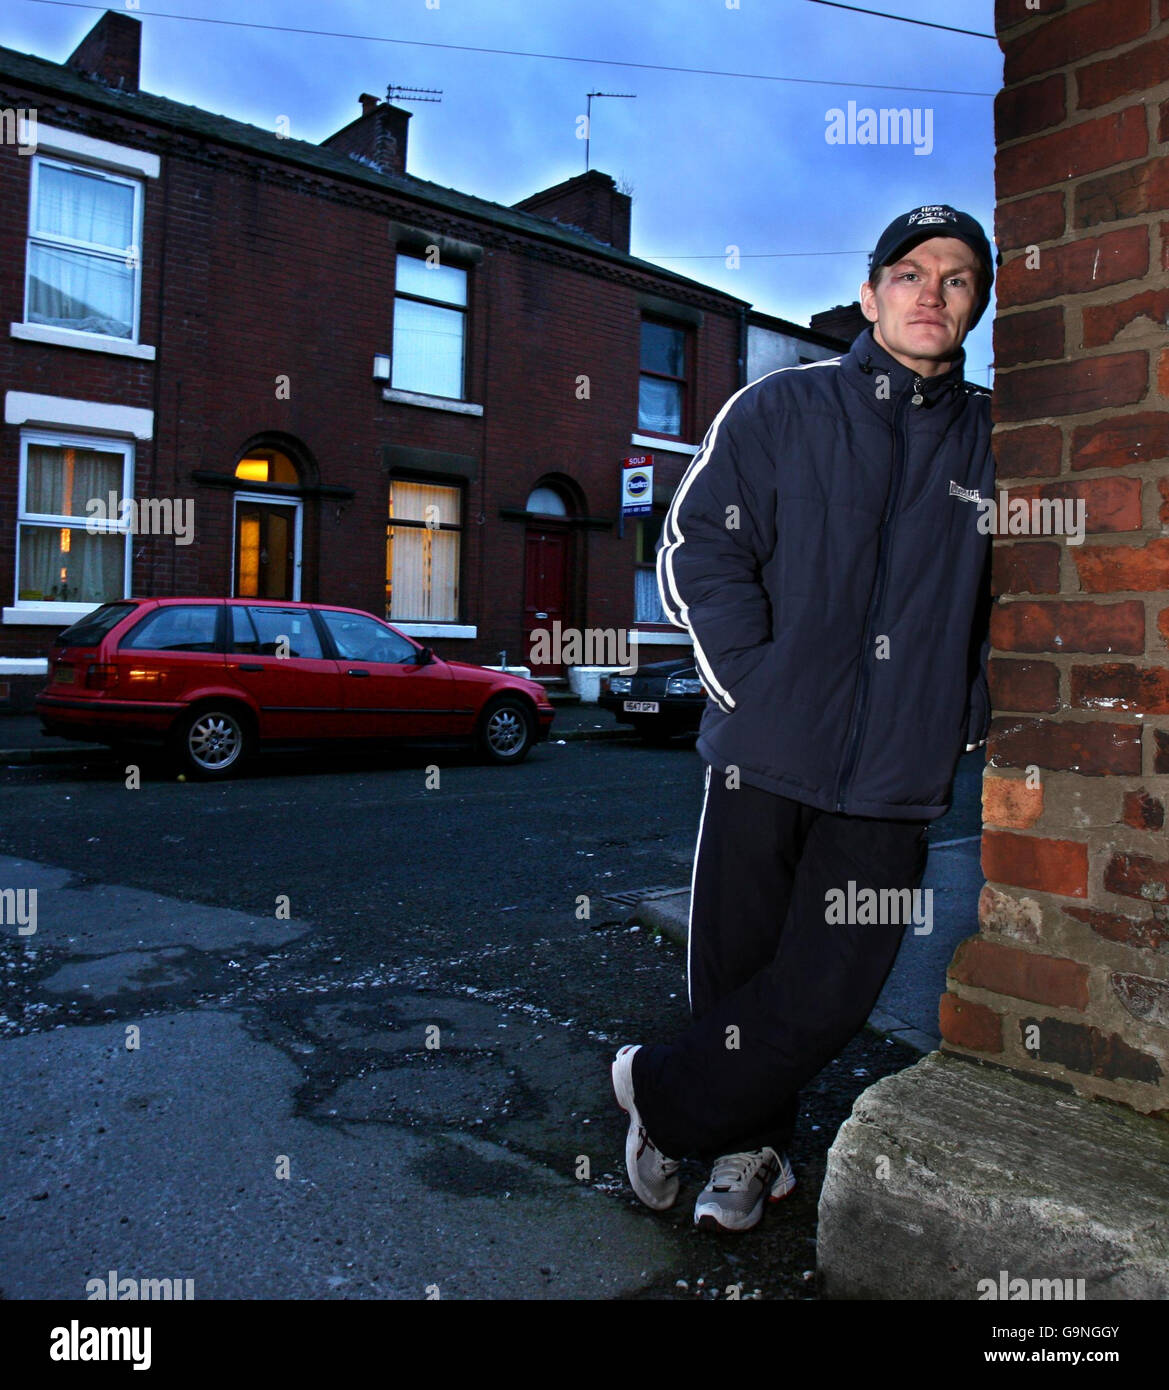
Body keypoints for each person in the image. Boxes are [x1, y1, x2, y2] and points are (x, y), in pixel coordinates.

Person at [611, 204, 997, 1233]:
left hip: (896, 777)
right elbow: (698, 547)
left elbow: (1024, 599)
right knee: (738, 971)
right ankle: (748, 1147)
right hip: (762, 755)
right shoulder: (778, 409)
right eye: (907, 272)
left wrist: (964, 710)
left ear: (971, 310)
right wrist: (754, 678)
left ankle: (655, 1097)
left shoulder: (995, 442)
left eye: (955, 279)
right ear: (869, 295)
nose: (929, 291)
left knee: (827, 989)